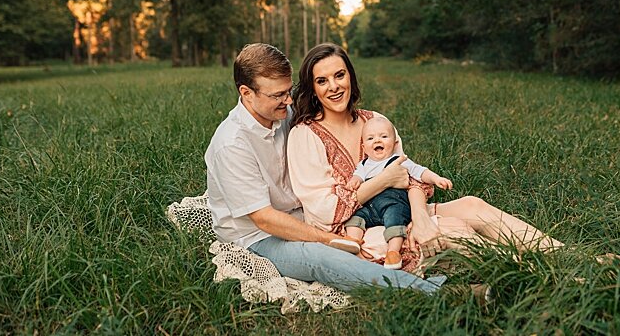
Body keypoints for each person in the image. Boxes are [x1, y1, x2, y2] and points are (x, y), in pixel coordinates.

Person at [286, 44, 561, 273]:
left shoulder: (375, 122)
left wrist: (420, 216)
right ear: (312, 89)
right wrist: (383, 181)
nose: (334, 86)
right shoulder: (305, 135)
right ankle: (535, 270)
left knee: (471, 205)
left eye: (339, 75)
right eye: (322, 81)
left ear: (350, 77)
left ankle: (566, 256)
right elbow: (324, 212)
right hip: (351, 230)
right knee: (455, 228)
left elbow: (409, 176)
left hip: (399, 209)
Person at [201, 43, 439, 292]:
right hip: (258, 237)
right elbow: (265, 219)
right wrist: (330, 240)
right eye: (278, 95)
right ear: (246, 93)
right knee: (325, 259)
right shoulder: (231, 145)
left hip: (304, 213)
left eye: (288, 90)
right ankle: (431, 291)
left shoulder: (284, 113)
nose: (289, 100)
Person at [340, 116, 456, 270]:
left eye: (383, 136)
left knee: (394, 220)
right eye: (370, 138)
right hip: (371, 207)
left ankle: (393, 252)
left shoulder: (399, 160)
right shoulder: (363, 164)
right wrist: (354, 180)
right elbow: (358, 176)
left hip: (394, 204)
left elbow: (419, 171)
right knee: (356, 217)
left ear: (394, 144)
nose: (377, 141)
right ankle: (353, 241)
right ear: (364, 147)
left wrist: (435, 178)